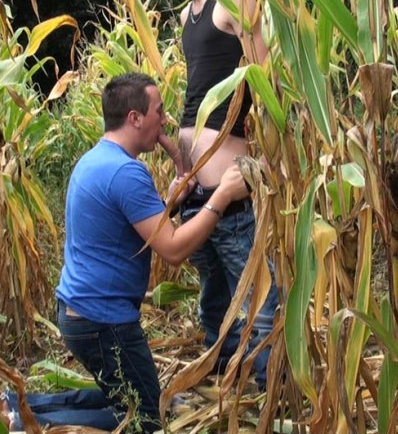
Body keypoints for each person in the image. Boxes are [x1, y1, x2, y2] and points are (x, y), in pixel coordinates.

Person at [26, 73, 249, 432]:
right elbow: (173, 249)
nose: (164, 119)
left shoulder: (96, 160)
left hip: (80, 314)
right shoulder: (126, 173)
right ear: (134, 117)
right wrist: (222, 195)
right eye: (158, 111)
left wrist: (172, 201)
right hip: (102, 322)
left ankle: (24, 406)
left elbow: (133, 229)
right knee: (144, 416)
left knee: (126, 393)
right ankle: (24, 424)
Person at [140, 0, 278, 388]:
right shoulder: (186, 18)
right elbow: (198, 96)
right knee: (216, 300)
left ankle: (269, 394)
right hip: (197, 191)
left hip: (230, 193)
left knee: (261, 300)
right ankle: (226, 380)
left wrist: (269, 158)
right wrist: (179, 157)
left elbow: (264, 82)